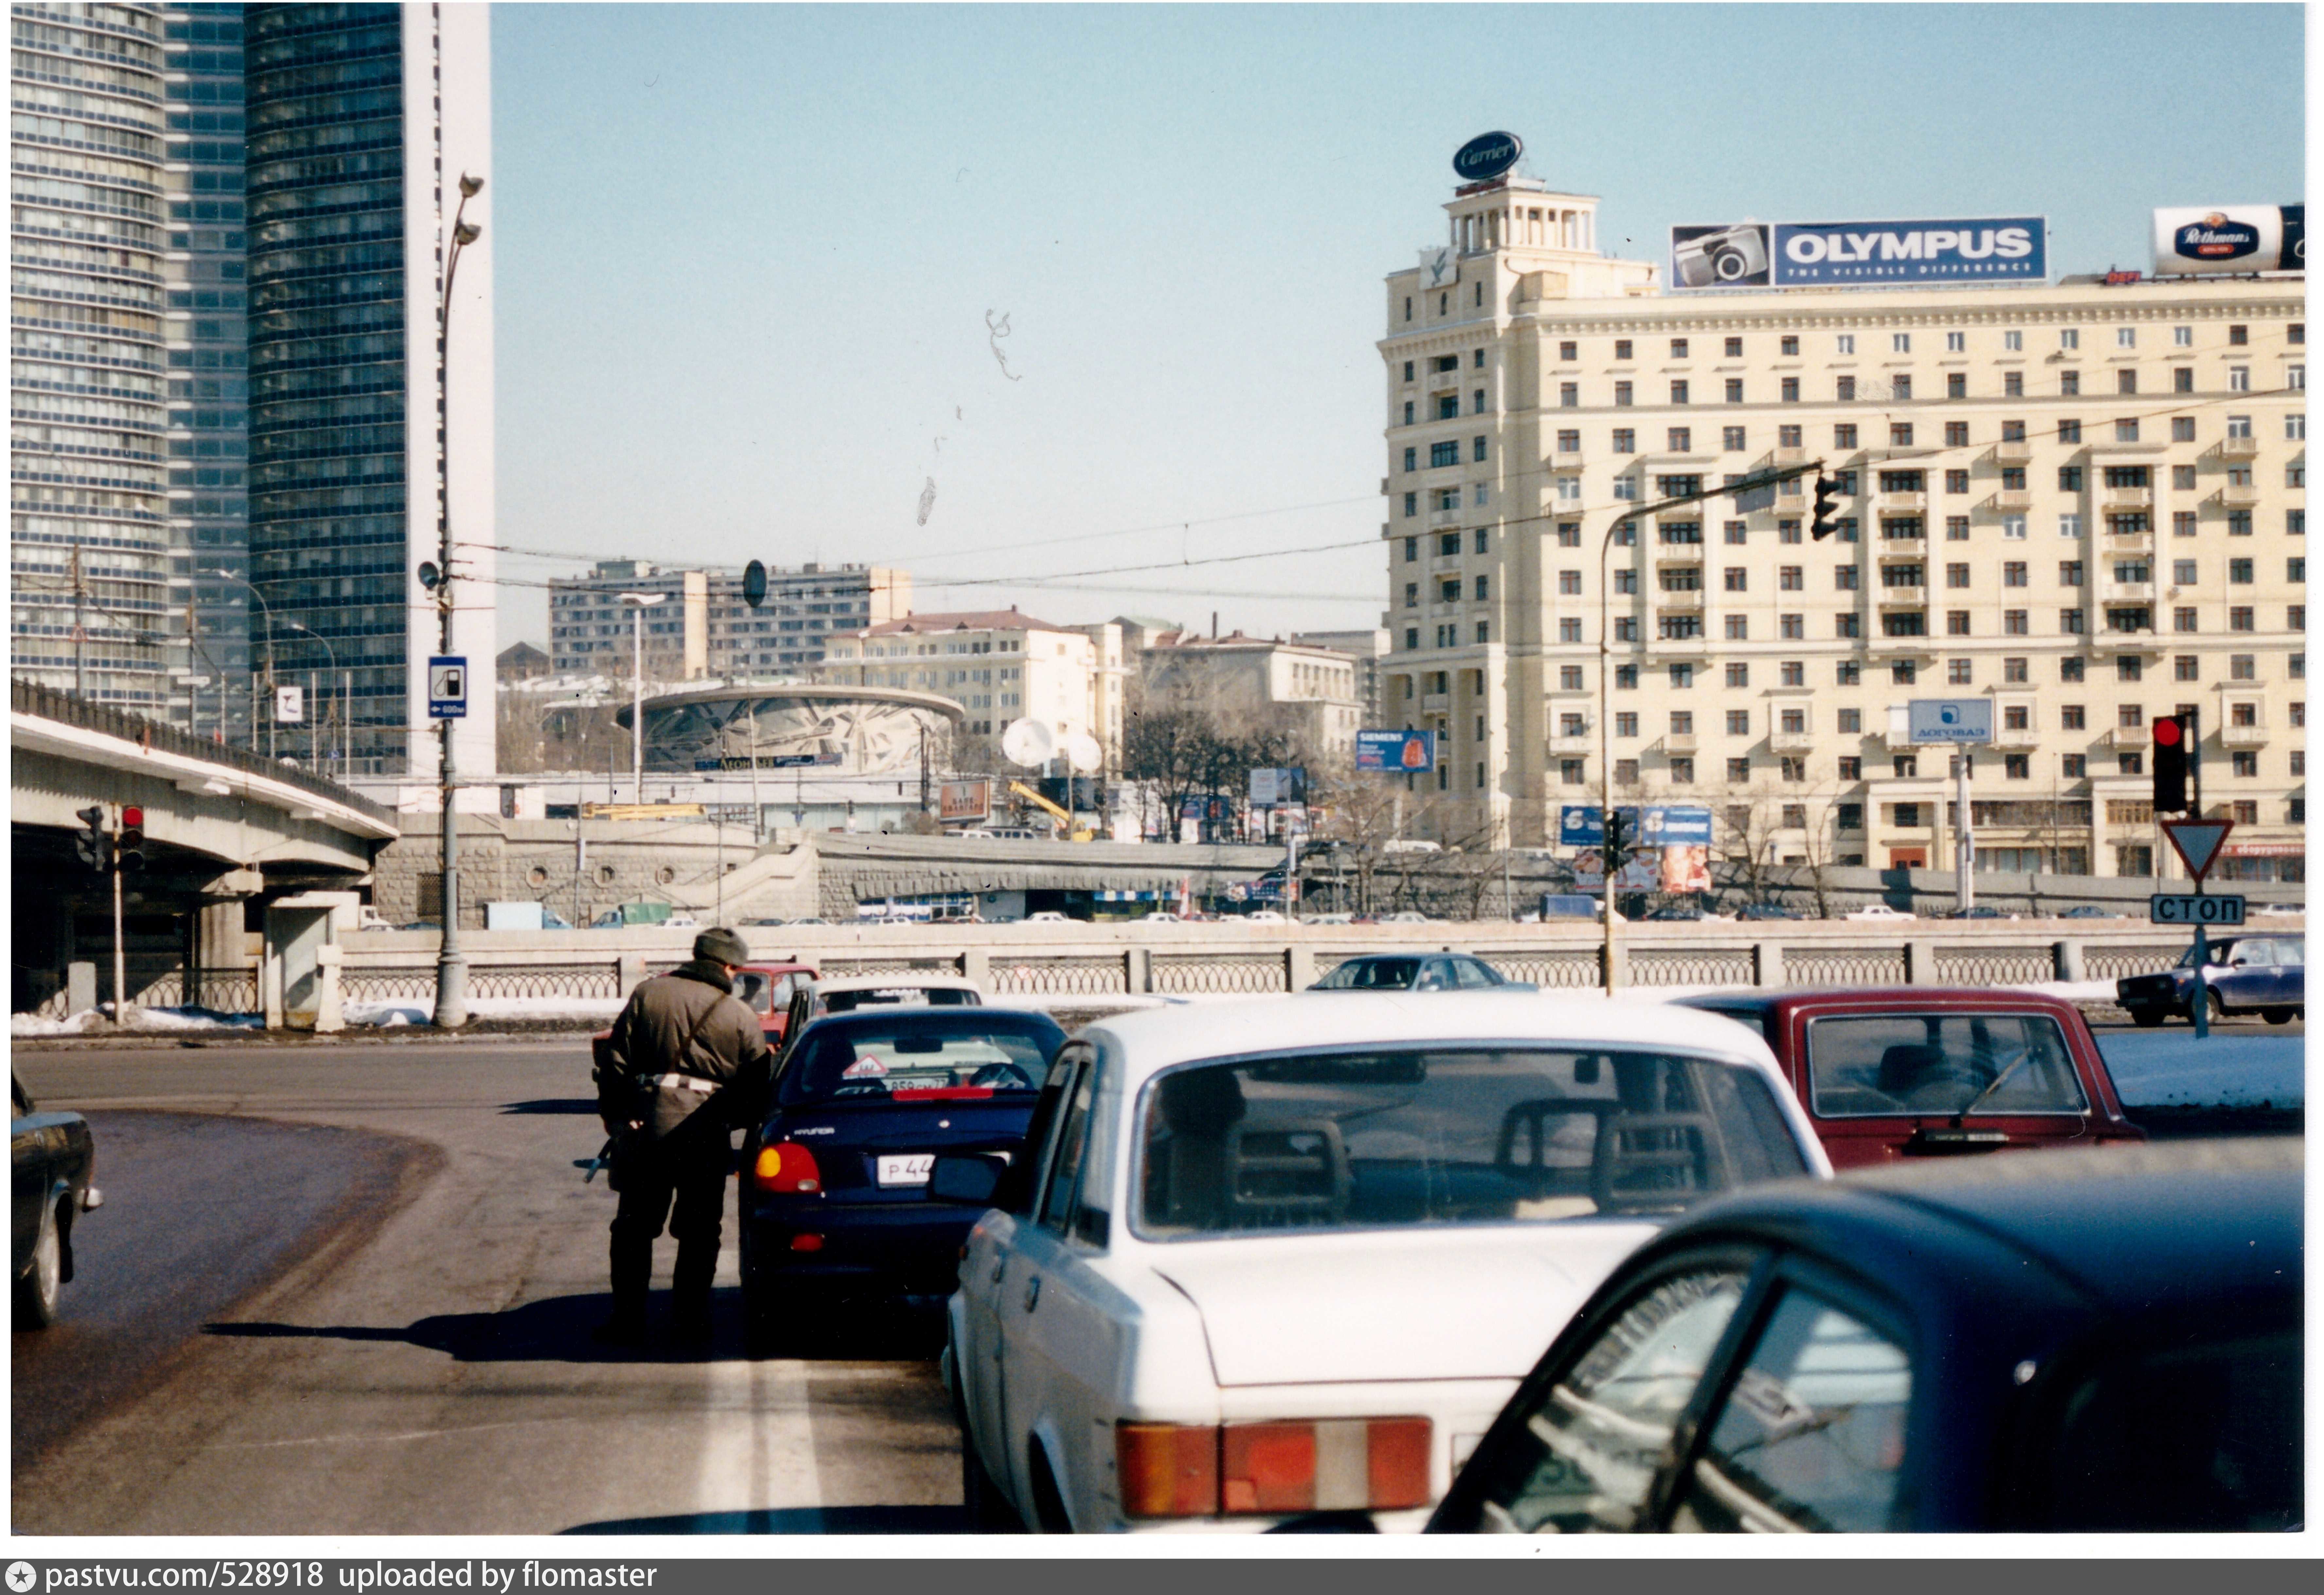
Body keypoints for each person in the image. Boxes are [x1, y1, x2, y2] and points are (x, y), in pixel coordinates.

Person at [592, 926, 773, 1344]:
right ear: (728, 967)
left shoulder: (648, 995)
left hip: (646, 1131)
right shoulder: (740, 1015)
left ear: (695, 955)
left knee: (634, 1229)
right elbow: (755, 1090)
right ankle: (690, 1322)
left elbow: (615, 1064)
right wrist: (728, 1120)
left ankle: (627, 1321)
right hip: (704, 1136)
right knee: (699, 1232)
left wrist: (617, 1119)